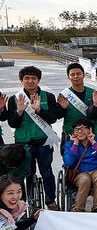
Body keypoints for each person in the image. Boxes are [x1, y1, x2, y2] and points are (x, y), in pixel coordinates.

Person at [6, 66, 60, 209]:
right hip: (23, 144)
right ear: (21, 80)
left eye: (33, 78)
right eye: (27, 78)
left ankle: (50, 201)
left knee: (46, 172)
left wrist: (39, 110)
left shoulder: (48, 96)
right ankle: (26, 202)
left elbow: (53, 118)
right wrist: (19, 112)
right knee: (25, 174)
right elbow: (12, 123)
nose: (30, 81)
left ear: (38, 80)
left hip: (43, 142)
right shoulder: (14, 99)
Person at [63, 119, 97, 212]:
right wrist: (75, 144)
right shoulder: (70, 144)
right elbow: (68, 162)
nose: (79, 132)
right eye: (76, 129)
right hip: (80, 173)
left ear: (90, 129)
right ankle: (79, 209)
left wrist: (93, 142)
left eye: (83, 128)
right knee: (85, 179)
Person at [56, 62, 97, 152]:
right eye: (72, 74)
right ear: (68, 77)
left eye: (78, 74)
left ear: (83, 75)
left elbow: (96, 116)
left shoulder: (93, 93)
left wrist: (95, 105)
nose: (76, 76)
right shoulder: (64, 95)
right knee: (70, 159)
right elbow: (58, 116)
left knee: (91, 159)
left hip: (89, 135)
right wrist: (63, 108)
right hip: (71, 135)